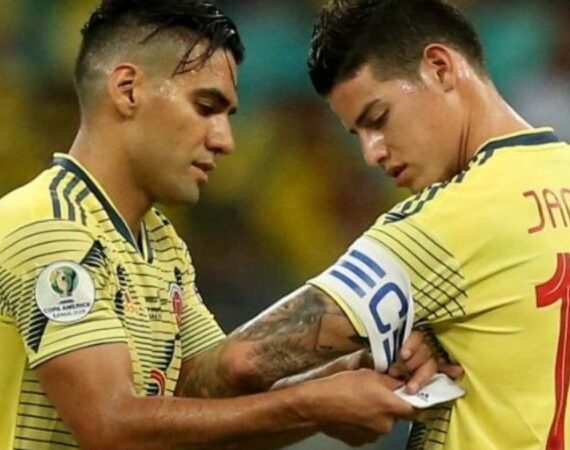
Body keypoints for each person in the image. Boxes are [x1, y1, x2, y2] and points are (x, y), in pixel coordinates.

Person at [0, 0, 446, 449]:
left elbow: (207, 399)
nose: (224, 140)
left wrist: (345, 374)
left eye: (228, 116)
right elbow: (111, 428)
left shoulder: (158, 241)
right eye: (205, 107)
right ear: (128, 90)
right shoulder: (51, 226)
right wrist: (314, 405)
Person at [183, 0, 570, 449]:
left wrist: (319, 396)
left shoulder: (441, 223)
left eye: (379, 119)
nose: (372, 153)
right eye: (359, 134)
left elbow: (237, 364)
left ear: (440, 68)